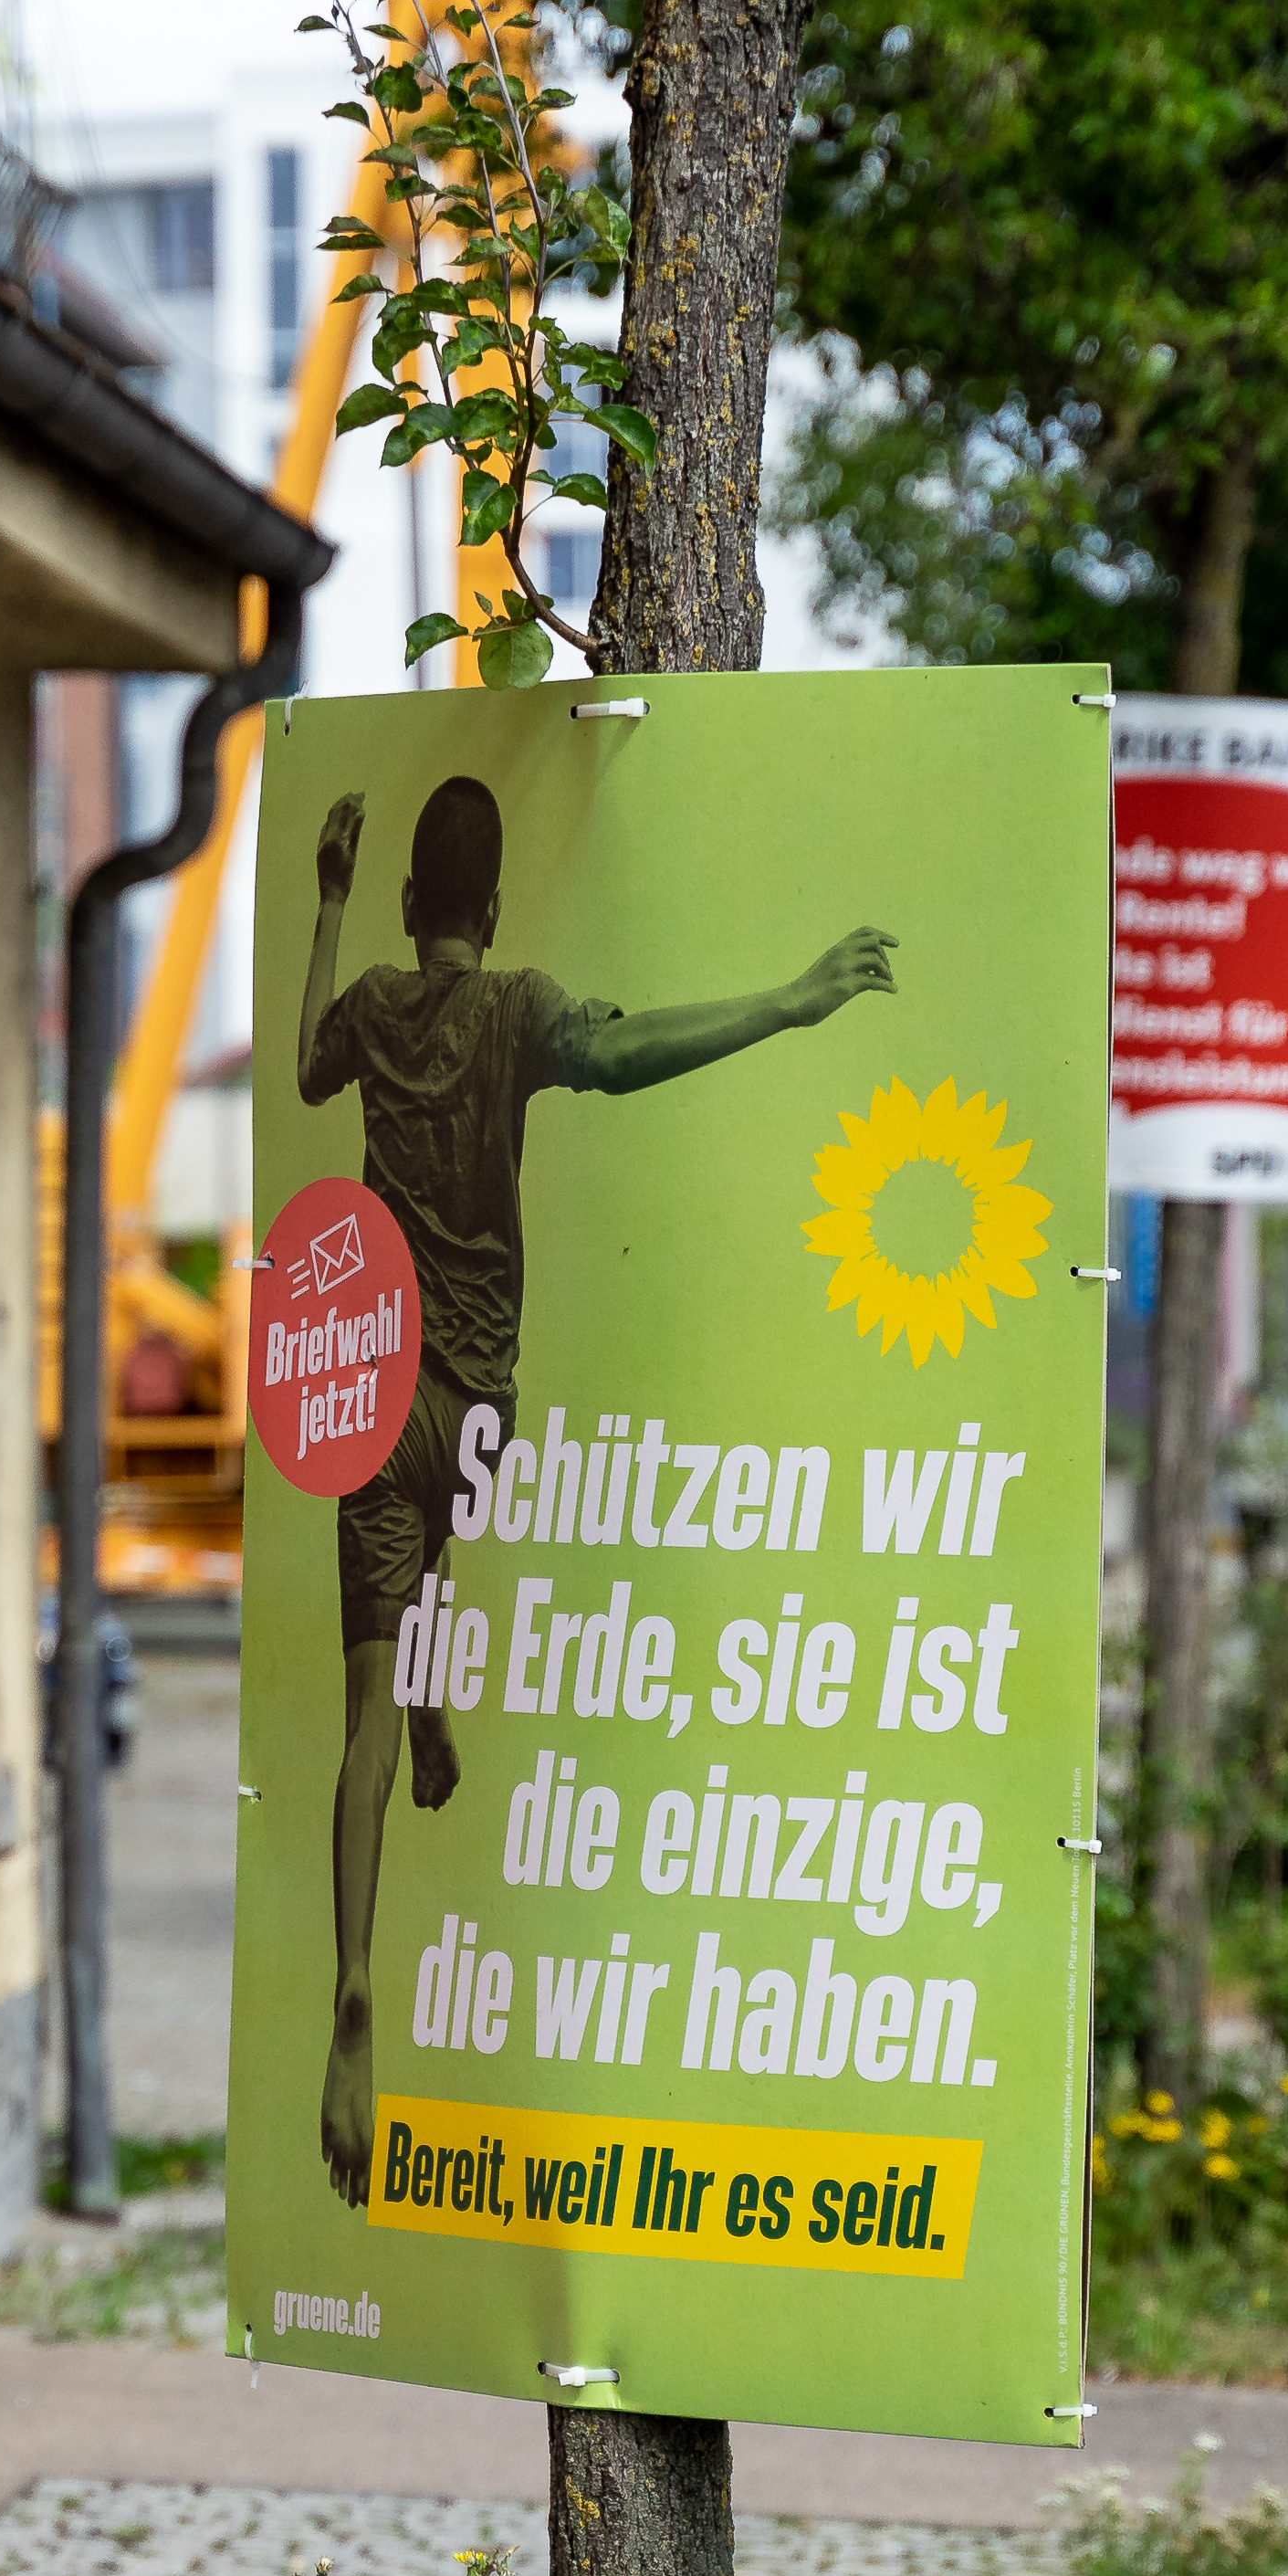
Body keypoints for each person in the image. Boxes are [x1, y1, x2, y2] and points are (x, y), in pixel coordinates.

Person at [292, 773, 896, 2204]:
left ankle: (356, 1987)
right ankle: (433, 1690)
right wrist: (790, 1001)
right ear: (491, 913)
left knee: (367, 1708)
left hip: (377, 1395)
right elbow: (631, 1058)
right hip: (483, 1403)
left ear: (407, 906)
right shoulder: (520, 1010)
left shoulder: (376, 1002)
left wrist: (323, 905)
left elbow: (309, 1071)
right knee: (451, 1540)